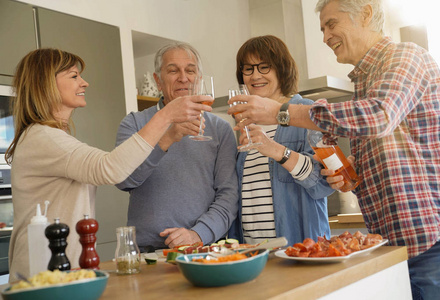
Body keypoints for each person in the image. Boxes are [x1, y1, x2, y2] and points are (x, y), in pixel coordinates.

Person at [228, 1, 440, 298]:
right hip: (390, 242)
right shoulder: (364, 83)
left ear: (367, 14)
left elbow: (379, 116)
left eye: (331, 24)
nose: (325, 36)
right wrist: (349, 175)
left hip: (429, 241)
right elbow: (380, 156)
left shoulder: (405, 56)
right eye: (323, 28)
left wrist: (281, 113)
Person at [6, 48, 211, 282]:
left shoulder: (48, 137)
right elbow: (111, 169)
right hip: (41, 276)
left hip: (57, 271)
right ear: (46, 84)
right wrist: (166, 116)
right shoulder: (43, 138)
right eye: (74, 76)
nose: (84, 83)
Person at [115, 43, 239, 251]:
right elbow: (124, 180)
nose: (183, 77)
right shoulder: (134, 124)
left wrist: (197, 233)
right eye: (173, 70)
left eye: (190, 70)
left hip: (204, 250)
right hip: (147, 253)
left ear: (198, 78)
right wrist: (168, 137)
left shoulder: (220, 129)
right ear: (158, 81)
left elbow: (228, 195)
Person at [227, 35, 334, 246]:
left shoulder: (305, 111)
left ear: (281, 69)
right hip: (254, 252)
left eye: (264, 67)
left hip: (299, 248)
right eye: (248, 68)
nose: (255, 75)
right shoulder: (244, 123)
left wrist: (276, 150)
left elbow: (324, 184)